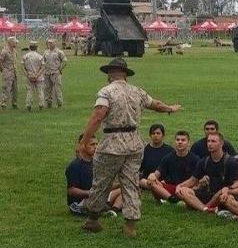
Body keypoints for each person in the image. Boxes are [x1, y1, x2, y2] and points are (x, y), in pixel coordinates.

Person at [78, 58, 181, 236]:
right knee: (132, 183)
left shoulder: (106, 92)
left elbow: (98, 116)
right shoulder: (137, 91)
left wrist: (84, 140)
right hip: (134, 142)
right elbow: (155, 104)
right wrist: (170, 108)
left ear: (109, 74)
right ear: (125, 74)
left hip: (112, 142)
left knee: (102, 181)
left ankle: (93, 219)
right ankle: (131, 225)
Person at [175, 132, 238, 213]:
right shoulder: (204, 161)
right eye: (208, 141)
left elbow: (237, 183)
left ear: (221, 144)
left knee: (227, 199)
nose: (210, 144)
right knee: (184, 191)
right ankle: (206, 209)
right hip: (209, 193)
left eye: (213, 141)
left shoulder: (230, 162)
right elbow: (192, 180)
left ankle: (200, 206)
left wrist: (228, 189)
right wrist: (180, 186)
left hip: (224, 194)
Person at [66, 134, 122, 215]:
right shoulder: (74, 166)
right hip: (81, 202)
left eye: (96, 144)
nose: (95, 147)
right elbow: (71, 191)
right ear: (82, 146)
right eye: (92, 144)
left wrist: (120, 184)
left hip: (96, 197)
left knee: (124, 190)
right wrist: (91, 193)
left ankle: (113, 210)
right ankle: (103, 209)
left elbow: (103, 186)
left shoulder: (96, 163)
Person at [147, 130, 199, 203]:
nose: (180, 142)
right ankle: (172, 200)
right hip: (171, 187)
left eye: (183, 140)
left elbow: (197, 180)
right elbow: (156, 174)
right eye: (177, 140)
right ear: (175, 142)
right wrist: (152, 176)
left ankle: (170, 199)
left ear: (188, 143)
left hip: (186, 188)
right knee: (153, 183)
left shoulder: (195, 159)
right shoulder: (168, 158)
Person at [138, 123, 174, 190]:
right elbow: (139, 168)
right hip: (147, 181)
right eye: (153, 133)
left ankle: (158, 187)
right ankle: (155, 187)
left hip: (164, 181)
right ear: (150, 135)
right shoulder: (145, 150)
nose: (155, 135)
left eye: (158, 133)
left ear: (163, 135)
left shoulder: (170, 150)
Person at [42, 38, 67, 108]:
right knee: (47, 88)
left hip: (55, 72)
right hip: (47, 73)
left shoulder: (59, 52)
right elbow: (43, 61)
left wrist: (60, 69)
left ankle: (59, 103)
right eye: (48, 43)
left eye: (51, 43)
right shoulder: (46, 52)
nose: (49, 44)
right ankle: (48, 103)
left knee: (57, 89)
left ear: (55, 43)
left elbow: (65, 61)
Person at [22, 41, 45, 111]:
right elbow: (43, 67)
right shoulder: (40, 56)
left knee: (30, 91)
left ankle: (28, 105)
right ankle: (41, 104)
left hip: (29, 76)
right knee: (40, 91)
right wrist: (37, 75)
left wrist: (27, 75)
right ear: (36, 48)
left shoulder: (25, 56)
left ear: (29, 47)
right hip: (39, 77)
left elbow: (22, 66)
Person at [0, 36, 19, 109]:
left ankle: (14, 103)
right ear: (10, 42)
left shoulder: (14, 51)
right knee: (6, 88)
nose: (16, 43)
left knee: (15, 89)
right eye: (15, 42)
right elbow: (1, 61)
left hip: (14, 72)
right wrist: (3, 70)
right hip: (7, 72)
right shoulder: (4, 51)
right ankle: (3, 103)